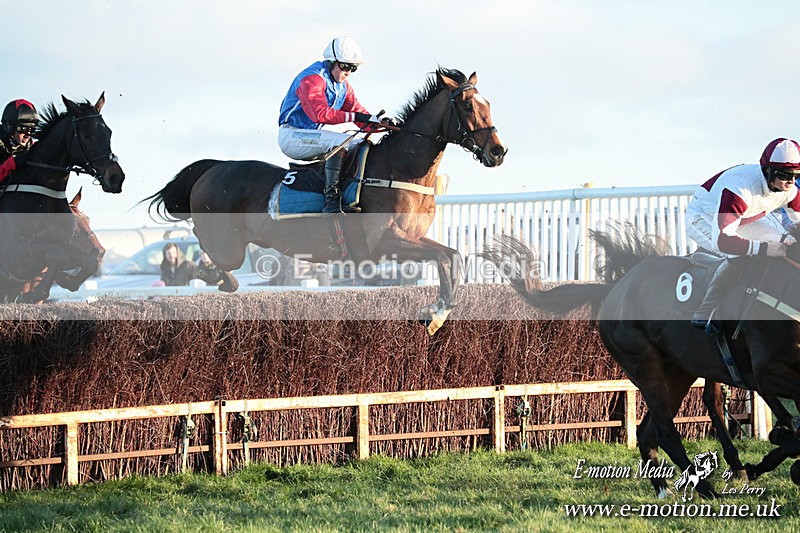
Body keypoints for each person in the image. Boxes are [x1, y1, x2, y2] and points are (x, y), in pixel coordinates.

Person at [685, 137, 800, 332]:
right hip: (704, 217)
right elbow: (723, 241)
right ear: (768, 171)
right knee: (741, 255)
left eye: (796, 175)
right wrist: (763, 248)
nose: (791, 181)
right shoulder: (739, 190)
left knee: (784, 242)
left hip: (743, 218)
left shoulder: (790, 191)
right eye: (784, 175)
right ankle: (705, 310)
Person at [277, 35, 390, 214]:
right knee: (341, 142)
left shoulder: (344, 87)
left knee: (360, 144)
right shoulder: (312, 78)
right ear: (331, 62)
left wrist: (379, 124)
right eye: (345, 66)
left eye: (353, 68)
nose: (348, 72)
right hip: (291, 136)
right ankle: (331, 201)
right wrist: (359, 116)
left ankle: (349, 192)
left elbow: (358, 114)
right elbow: (319, 113)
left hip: (309, 137)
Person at [0, 99, 38, 185]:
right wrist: (12, 164)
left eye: (31, 130)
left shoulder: (31, 147)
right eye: (23, 129)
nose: (28, 135)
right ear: (9, 126)